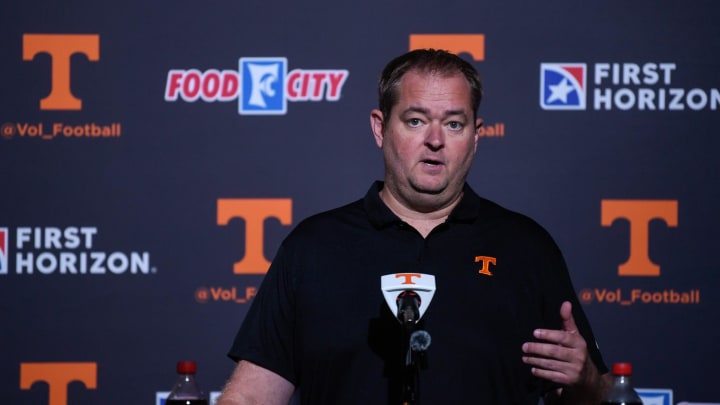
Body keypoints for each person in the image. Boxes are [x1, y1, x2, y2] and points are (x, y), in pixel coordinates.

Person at [217, 49, 611, 405]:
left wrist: (587, 378)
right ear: (380, 128)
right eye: (416, 120)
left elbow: (594, 394)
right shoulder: (314, 247)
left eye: (454, 124)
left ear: (476, 136)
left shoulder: (526, 247)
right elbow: (250, 396)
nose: (435, 140)